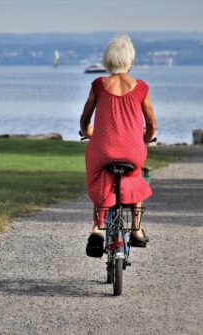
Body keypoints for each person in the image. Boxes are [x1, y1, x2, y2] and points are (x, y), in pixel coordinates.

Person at [80, 35, 157, 255]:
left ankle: (97, 229)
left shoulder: (98, 85)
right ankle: (137, 228)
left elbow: (85, 120)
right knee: (135, 177)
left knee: (99, 176)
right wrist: (147, 137)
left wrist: (89, 132)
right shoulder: (141, 88)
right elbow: (151, 124)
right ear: (130, 61)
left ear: (107, 61)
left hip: (103, 150)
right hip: (132, 152)